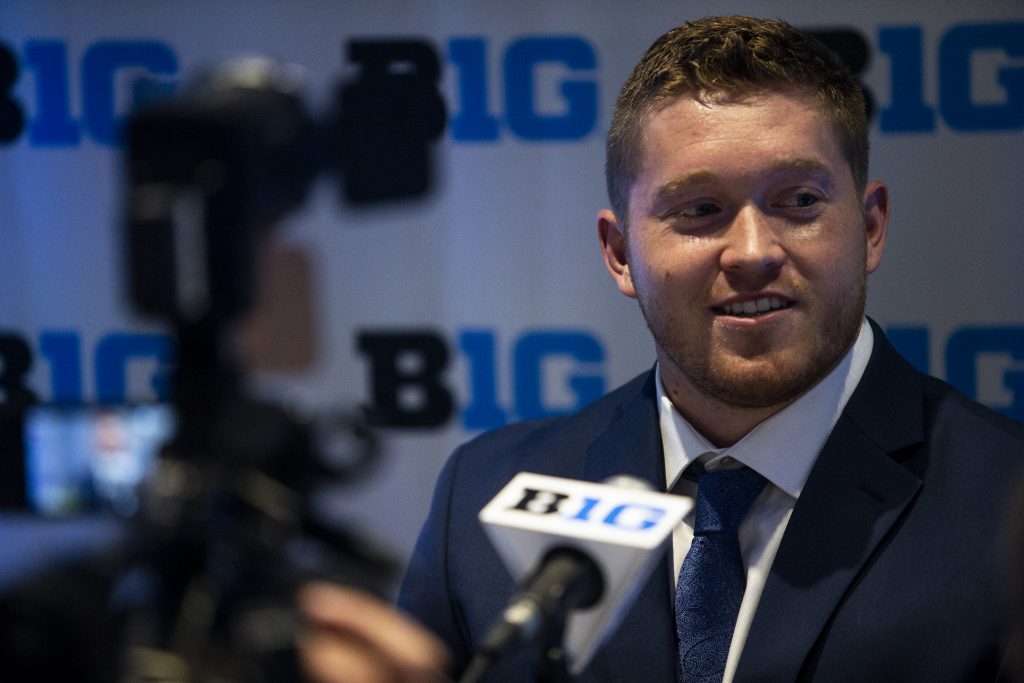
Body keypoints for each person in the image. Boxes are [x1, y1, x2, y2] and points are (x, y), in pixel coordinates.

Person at [307, 15, 1024, 682]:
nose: (751, 252)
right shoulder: (483, 495)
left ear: (869, 228)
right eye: (700, 210)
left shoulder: (1008, 501)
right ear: (620, 254)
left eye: (799, 201)